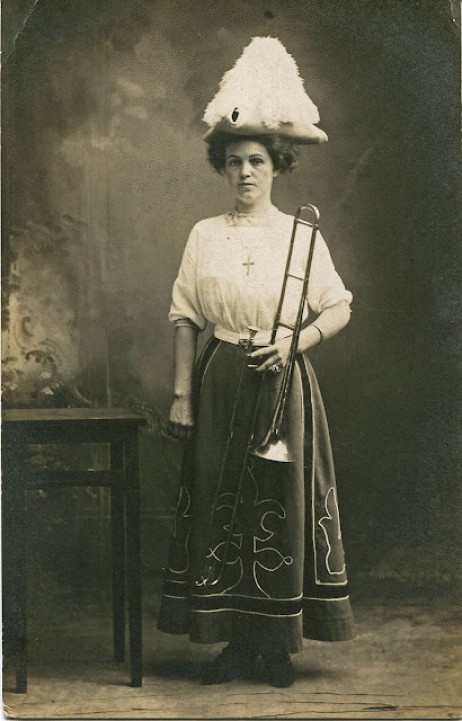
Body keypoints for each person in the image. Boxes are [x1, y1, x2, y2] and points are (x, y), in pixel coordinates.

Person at [157, 37, 355, 688]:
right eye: (236, 161)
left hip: (283, 387)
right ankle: (232, 643)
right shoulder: (203, 235)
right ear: (223, 165)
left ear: (278, 165)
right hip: (219, 383)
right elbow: (186, 315)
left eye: (258, 161)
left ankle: (275, 647)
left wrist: (296, 341)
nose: (246, 172)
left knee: (277, 504)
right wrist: (182, 396)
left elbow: (338, 307)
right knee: (222, 502)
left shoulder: (302, 234)